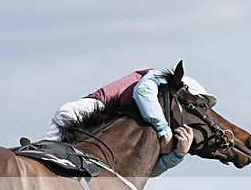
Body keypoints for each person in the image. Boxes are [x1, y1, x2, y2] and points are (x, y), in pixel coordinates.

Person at [40, 67, 217, 176]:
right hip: (80, 113)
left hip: (99, 135)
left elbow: (145, 170)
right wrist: (164, 130)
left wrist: (177, 155)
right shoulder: (157, 77)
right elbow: (142, 92)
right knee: (44, 160)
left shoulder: (146, 130)